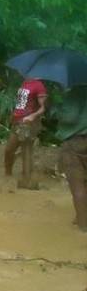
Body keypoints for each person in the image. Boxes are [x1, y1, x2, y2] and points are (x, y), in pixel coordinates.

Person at [4, 78, 47, 189]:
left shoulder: (39, 85)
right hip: (18, 121)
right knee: (9, 149)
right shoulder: (25, 83)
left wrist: (32, 116)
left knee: (26, 150)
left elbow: (43, 108)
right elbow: (21, 104)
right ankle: (8, 173)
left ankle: (27, 180)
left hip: (28, 123)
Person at [56, 86, 87, 232]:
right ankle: (80, 215)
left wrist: (58, 110)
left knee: (77, 184)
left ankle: (83, 224)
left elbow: (70, 118)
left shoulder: (76, 92)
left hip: (75, 141)